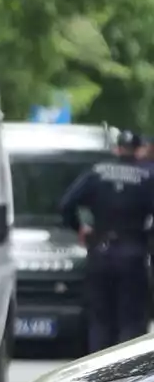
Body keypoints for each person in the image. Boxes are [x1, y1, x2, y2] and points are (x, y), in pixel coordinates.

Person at [59, 137, 154, 352]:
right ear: (138, 150)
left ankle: (99, 377)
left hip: (100, 252)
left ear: (117, 148)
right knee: (131, 321)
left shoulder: (97, 172)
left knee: (100, 320)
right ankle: (127, 379)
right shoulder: (148, 177)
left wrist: (80, 228)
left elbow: (66, 204)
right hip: (133, 254)